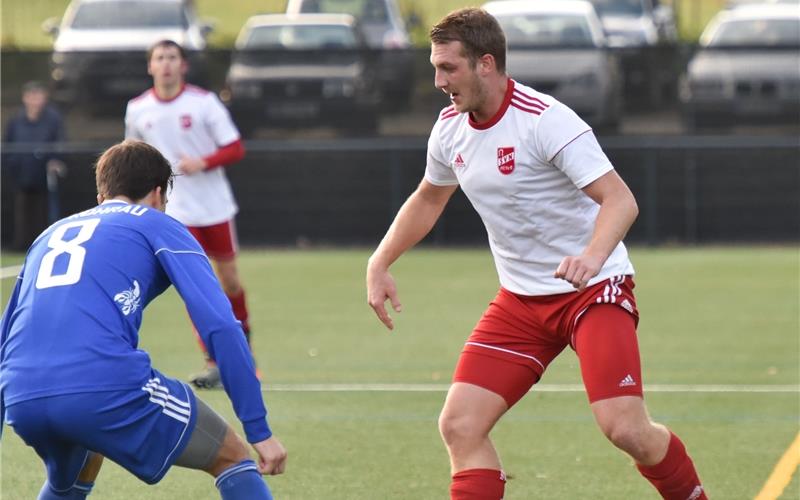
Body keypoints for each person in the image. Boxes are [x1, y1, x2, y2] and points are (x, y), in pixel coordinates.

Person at [366, 8, 706, 500]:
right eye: (435, 68)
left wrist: (591, 257)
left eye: (448, 68)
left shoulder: (545, 120)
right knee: (460, 425)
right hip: (521, 302)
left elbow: (620, 200)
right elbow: (429, 197)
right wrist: (379, 261)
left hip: (593, 291)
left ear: (486, 63)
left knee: (625, 429)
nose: (438, 81)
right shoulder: (448, 129)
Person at [0, 140, 286, 500]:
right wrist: (258, 428)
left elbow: (5, 336)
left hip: (23, 394)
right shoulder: (157, 224)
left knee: (76, 471)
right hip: (101, 383)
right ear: (157, 194)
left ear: (102, 194)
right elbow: (221, 325)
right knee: (231, 456)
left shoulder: (49, 235)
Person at [124, 40, 253, 389]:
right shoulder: (137, 109)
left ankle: (245, 354)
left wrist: (204, 161)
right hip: (175, 212)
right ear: (150, 66)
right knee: (194, 288)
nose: (165, 64)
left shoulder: (203, 103)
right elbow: (132, 157)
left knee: (229, 282)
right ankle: (213, 361)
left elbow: (235, 146)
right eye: (159, 58)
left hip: (214, 207)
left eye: (172, 58)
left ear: (183, 65)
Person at [3, 81, 67, 251]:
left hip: (44, 175)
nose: (35, 100)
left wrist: (55, 160)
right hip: (22, 173)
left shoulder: (53, 119)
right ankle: (21, 244)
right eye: (31, 96)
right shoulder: (16, 120)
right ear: (25, 98)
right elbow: (8, 143)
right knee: (23, 210)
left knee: (43, 212)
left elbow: (60, 142)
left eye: (38, 95)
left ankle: (44, 244)